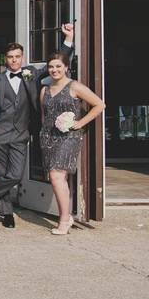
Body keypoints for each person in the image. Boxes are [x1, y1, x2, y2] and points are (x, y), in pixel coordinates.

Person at [0, 24, 74, 228]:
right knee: (1, 175)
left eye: (17, 56)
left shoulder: (32, 74)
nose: (14, 60)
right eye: (10, 57)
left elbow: (56, 62)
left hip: (21, 133)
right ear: (5, 58)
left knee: (15, 175)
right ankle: (7, 213)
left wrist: (68, 39)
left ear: (22, 57)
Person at [40, 52, 105, 235]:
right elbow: (44, 115)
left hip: (69, 137)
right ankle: (66, 215)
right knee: (58, 178)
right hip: (48, 136)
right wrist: (43, 133)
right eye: (51, 66)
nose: (54, 70)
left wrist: (79, 123)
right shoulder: (44, 90)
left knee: (56, 176)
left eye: (58, 66)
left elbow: (99, 105)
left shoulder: (74, 86)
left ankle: (64, 220)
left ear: (66, 67)